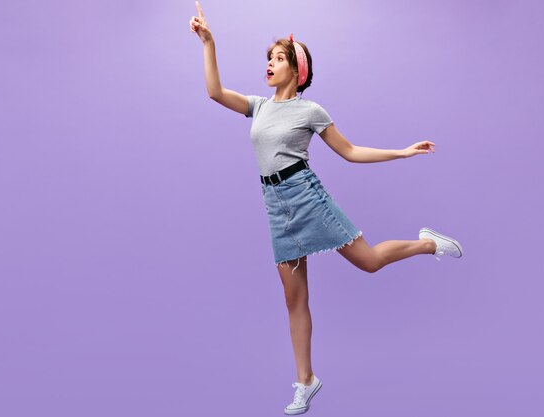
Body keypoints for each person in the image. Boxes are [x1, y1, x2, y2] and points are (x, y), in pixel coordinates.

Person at [189, 2, 463, 415]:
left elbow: (350, 152)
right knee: (294, 300)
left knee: (368, 261)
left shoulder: (310, 110)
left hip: (306, 196)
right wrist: (209, 43)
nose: (270, 64)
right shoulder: (258, 106)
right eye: (268, 58)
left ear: (297, 71)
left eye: (278, 58)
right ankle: (306, 381)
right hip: (275, 206)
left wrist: (402, 152)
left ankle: (427, 244)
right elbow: (213, 92)